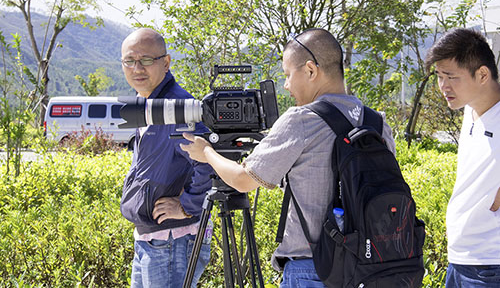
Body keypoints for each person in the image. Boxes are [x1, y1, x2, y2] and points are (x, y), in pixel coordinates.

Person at [180, 28, 396, 287]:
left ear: (310, 70)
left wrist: (206, 152)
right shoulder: (377, 122)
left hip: (313, 269)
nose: (286, 85)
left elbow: (242, 180)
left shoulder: (301, 119)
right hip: (371, 268)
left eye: (287, 75)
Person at [119, 28, 213, 288]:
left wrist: (187, 205)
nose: (137, 68)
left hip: (173, 240)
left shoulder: (176, 107)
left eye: (147, 60)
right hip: (153, 238)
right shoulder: (147, 104)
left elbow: (208, 159)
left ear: (166, 62)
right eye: (130, 60)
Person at [425, 28, 500, 287]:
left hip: (490, 266)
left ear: (482, 74)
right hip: (459, 261)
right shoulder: (470, 110)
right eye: (439, 76)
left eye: (451, 77)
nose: (443, 86)